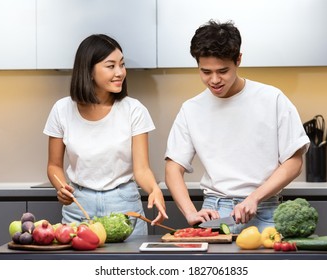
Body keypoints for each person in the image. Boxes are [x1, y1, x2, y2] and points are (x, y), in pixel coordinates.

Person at [165, 20, 310, 234]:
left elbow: (294, 161)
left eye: (223, 70)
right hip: (214, 212)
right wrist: (189, 212)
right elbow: (172, 168)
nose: (214, 80)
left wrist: (255, 197)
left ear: (238, 60)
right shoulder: (191, 109)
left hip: (264, 209)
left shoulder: (272, 99)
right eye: (205, 72)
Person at [43, 34, 167, 235]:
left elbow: (142, 169)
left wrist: (154, 190)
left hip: (125, 208)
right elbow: (53, 165)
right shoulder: (62, 109)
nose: (120, 72)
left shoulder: (133, 110)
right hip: (78, 208)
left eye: (122, 64)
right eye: (111, 66)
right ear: (89, 71)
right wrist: (61, 187)